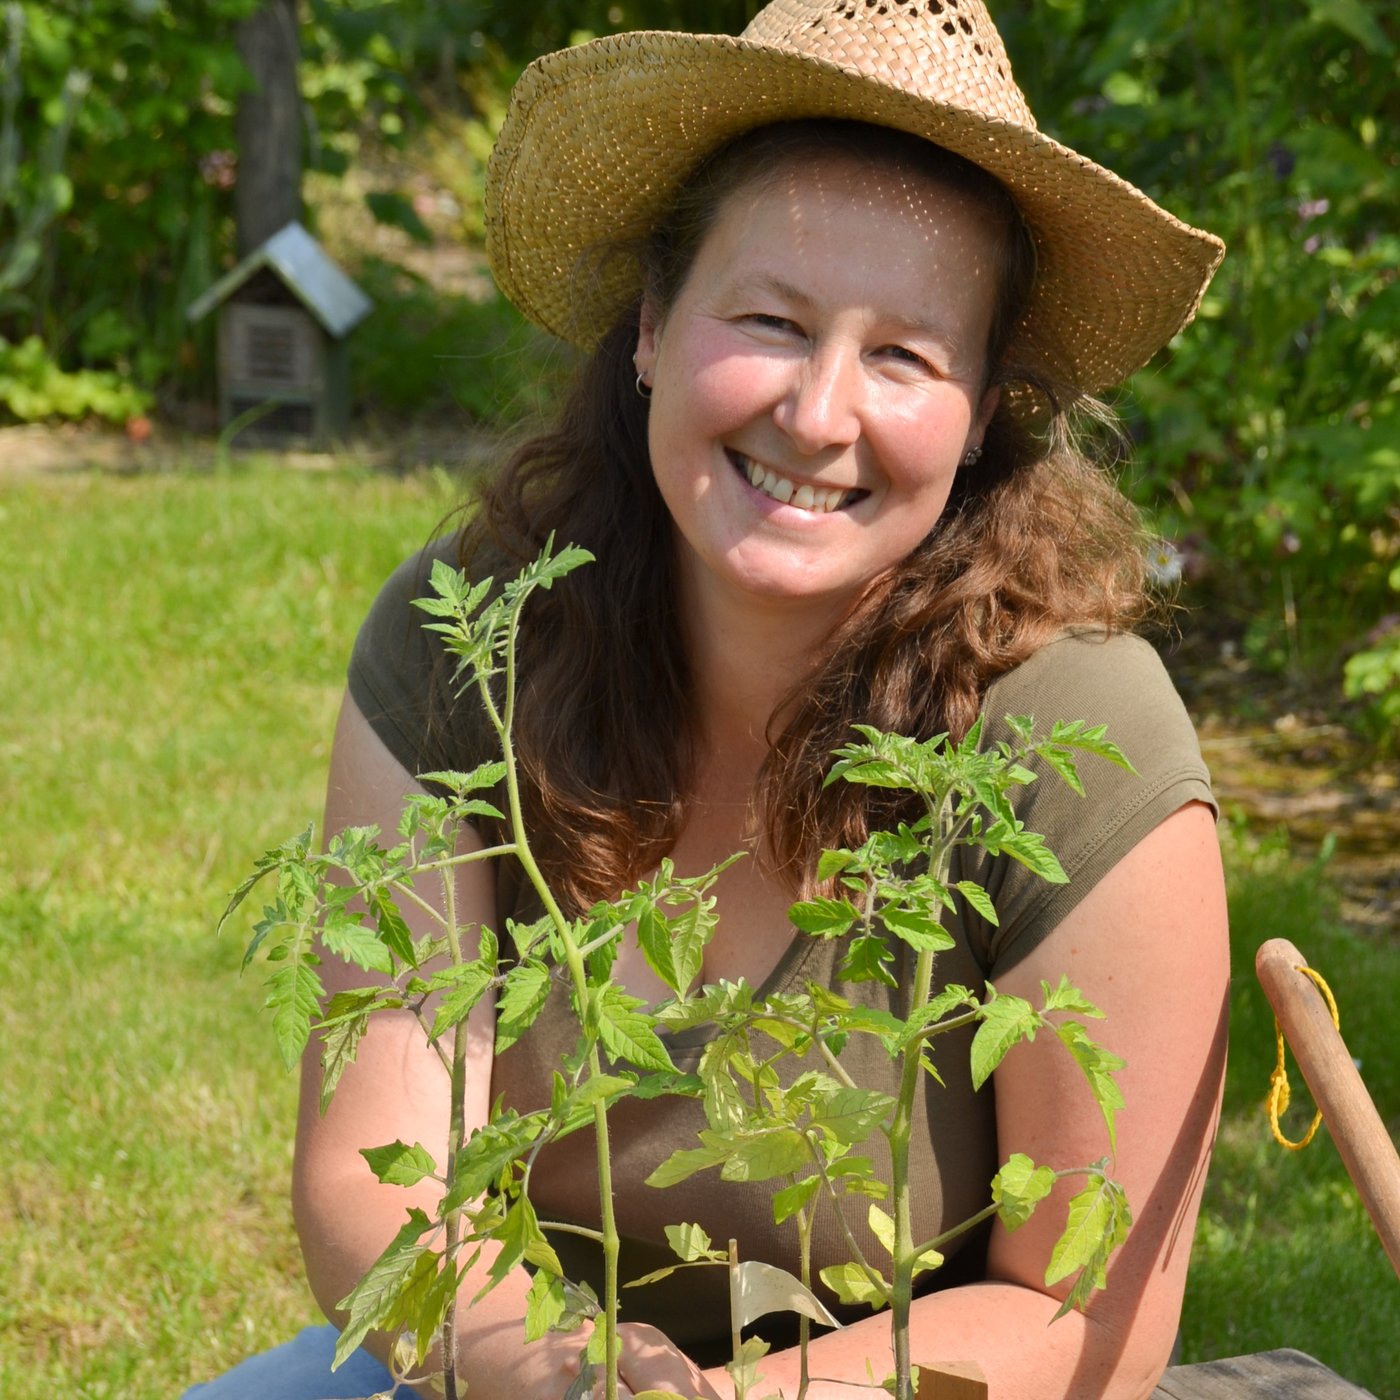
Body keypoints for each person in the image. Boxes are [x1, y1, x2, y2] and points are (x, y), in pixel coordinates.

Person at [187, 2, 1230, 1397]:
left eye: (906, 356)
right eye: (771, 321)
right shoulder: (473, 654)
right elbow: (376, 1187)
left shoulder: (1074, 742)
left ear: (983, 411)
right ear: (652, 328)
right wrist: (576, 1379)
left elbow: (1088, 1315)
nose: (818, 412)